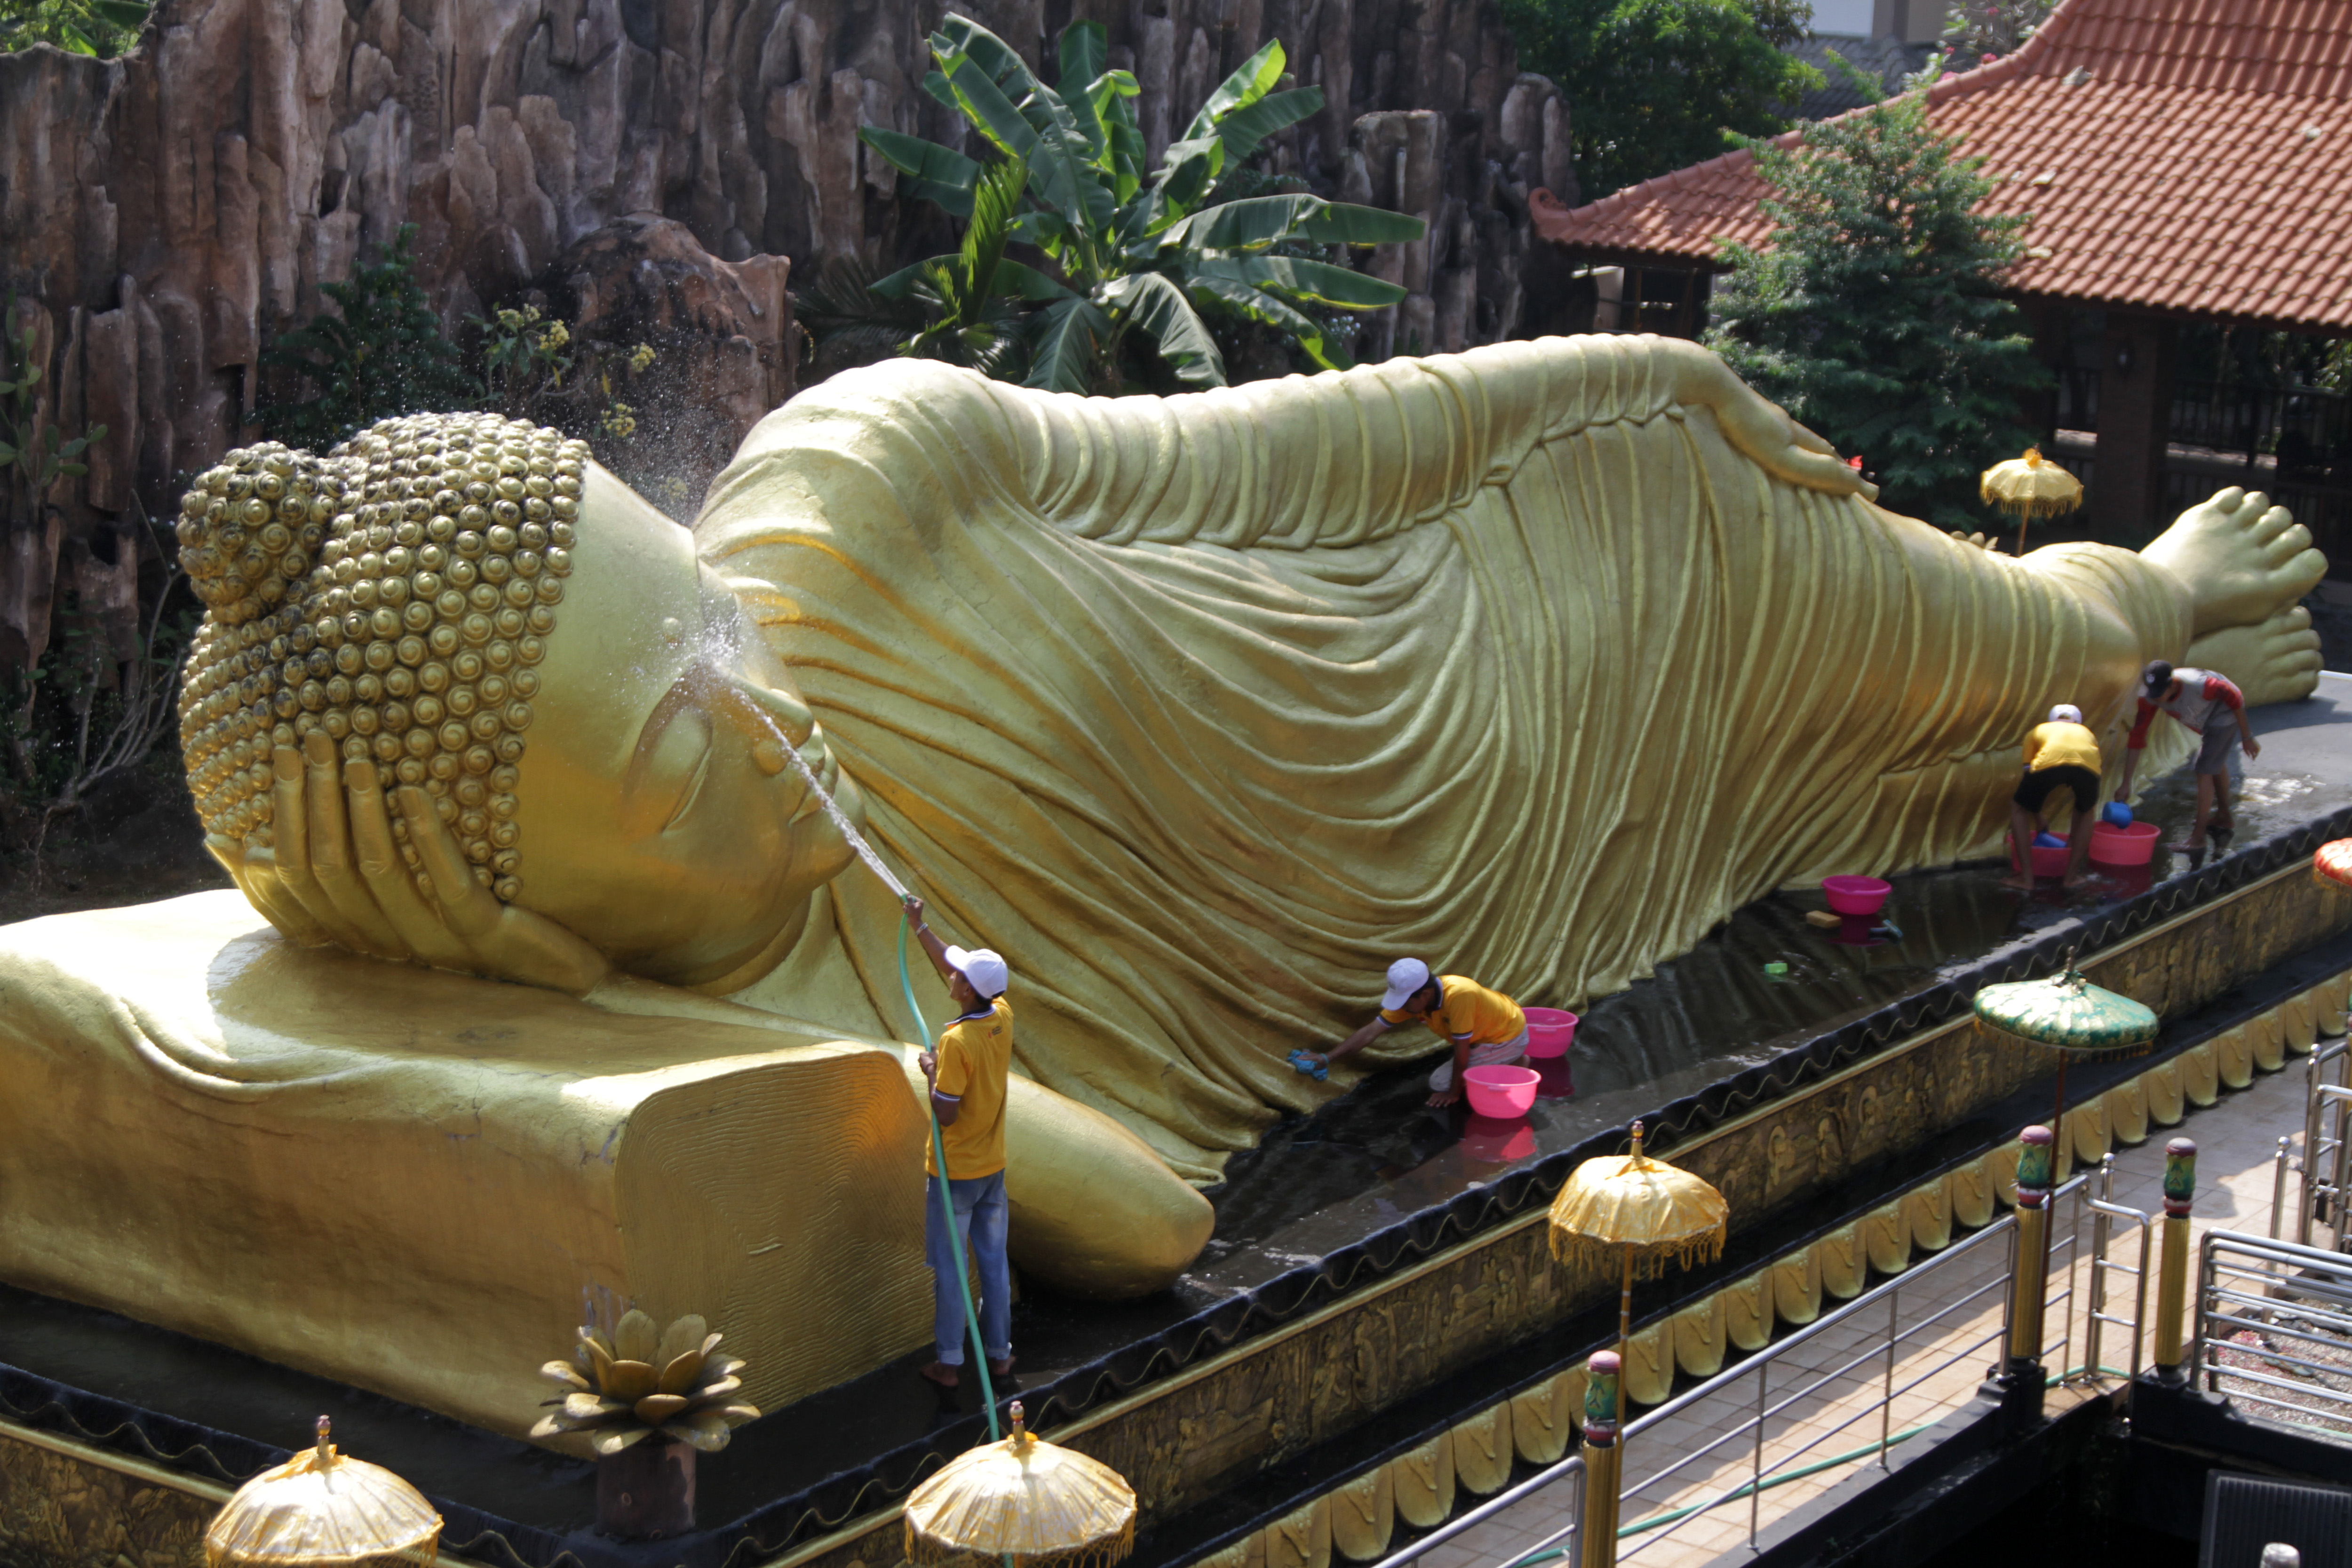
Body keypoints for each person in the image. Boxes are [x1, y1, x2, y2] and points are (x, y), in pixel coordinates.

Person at [904, 893, 1015, 1389]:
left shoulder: (955, 1044)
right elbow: (952, 966)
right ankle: (1000, 1357)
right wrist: (920, 929)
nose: (950, 975)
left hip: (955, 1176)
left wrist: (929, 1071)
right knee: (993, 1267)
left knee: (952, 1273)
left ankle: (948, 1365)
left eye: (958, 976)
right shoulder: (1000, 1015)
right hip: (992, 1169)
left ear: (967, 991)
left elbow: (945, 1114)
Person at [1308, 958, 1529, 1108]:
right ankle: (1508, 1061)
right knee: (1449, 1080)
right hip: (1484, 1036)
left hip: (1505, 1035)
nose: (1402, 1007)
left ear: (1425, 994)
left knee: (1442, 1085)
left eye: (1405, 1002)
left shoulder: (1460, 995)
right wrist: (1327, 1058)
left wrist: (1453, 1093)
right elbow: (1369, 1032)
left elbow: (1462, 1049)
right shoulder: (1417, 1001)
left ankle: (1516, 1060)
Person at [2117, 660, 2262, 849]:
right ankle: (2224, 817)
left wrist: (2247, 737)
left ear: (2173, 684)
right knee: (2213, 763)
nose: (2156, 699)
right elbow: (2137, 737)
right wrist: (2126, 783)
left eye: (2160, 693)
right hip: (2202, 717)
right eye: (2153, 693)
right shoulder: (2149, 698)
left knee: (2203, 769)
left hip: (2223, 712)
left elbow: (2234, 698)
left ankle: (2198, 839)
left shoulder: (2201, 686)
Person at [2003, 703, 2104, 891]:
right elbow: (2091, 765)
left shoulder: (2038, 730)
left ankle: (2026, 879)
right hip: (2088, 766)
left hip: (2049, 761)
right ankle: (2071, 877)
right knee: (2086, 811)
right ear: (2078, 722)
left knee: (2018, 807)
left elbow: (2030, 780)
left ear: (2051, 720)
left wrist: (2039, 817)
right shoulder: (2087, 733)